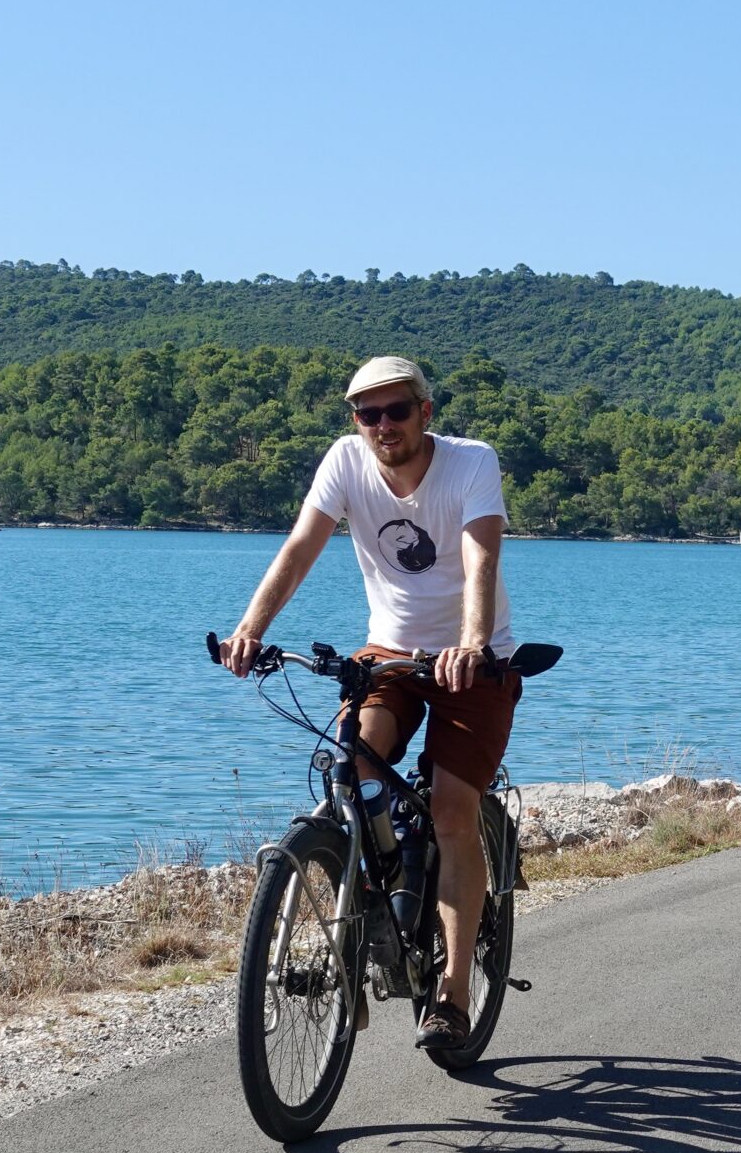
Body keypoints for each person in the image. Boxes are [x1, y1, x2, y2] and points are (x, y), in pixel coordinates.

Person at [220, 355, 519, 1053]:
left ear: (425, 412)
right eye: (368, 413)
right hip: (388, 655)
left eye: (396, 410)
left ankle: (449, 994)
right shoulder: (346, 462)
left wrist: (471, 643)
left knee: (450, 808)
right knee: (350, 768)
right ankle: (377, 907)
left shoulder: (472, 463)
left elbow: (481, 560)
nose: (383, 425)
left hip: (474, 663)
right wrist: (251, 629)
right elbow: (300, 546)